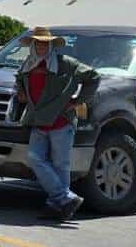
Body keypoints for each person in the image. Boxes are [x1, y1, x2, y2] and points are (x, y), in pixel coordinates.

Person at [10, 28, 97, 221]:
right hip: (37, 122)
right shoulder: (28, 64)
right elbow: (18, 79)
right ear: (33, 45)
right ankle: (65, 198)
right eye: (38, 43)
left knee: (61, 165)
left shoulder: (66, 63)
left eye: (45, 43)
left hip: (61, 122)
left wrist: (78, 100)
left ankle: (57, 206)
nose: (41, 46)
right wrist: (21, 92)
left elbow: (93, 77)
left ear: (50, 45)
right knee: (35, 158)